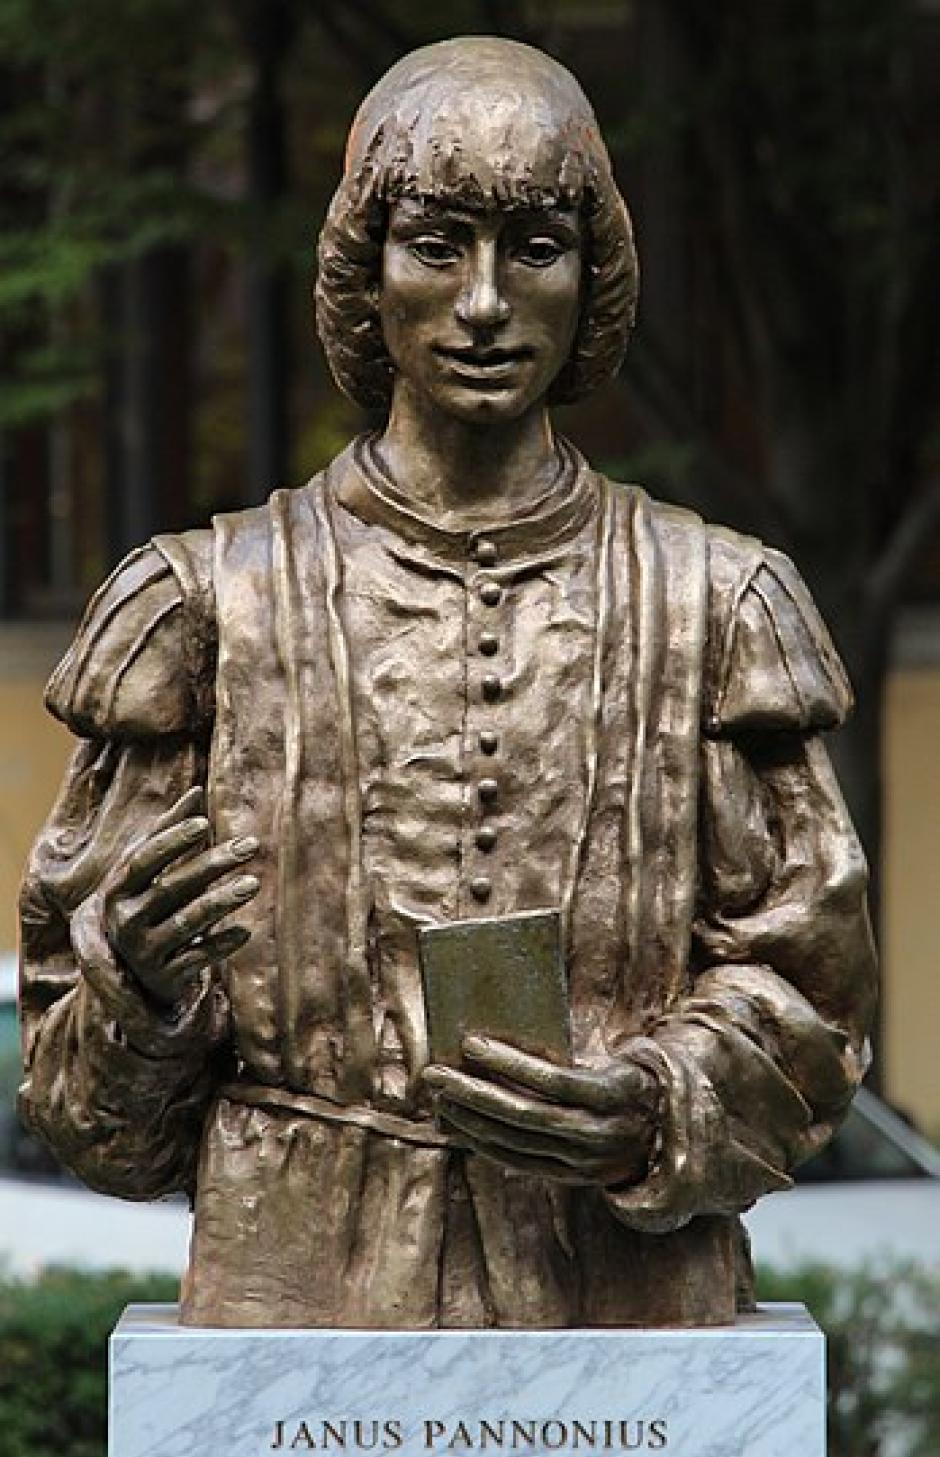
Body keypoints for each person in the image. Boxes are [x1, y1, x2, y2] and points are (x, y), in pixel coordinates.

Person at [18, 37, 876, 1329]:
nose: (482, 302)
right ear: (366, 275)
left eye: (534, 247)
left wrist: (657, 1101)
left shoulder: (719, 606)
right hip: (298, 1284)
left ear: (594, 278)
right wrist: (135, 995)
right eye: (436, 244)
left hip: (623, 1292)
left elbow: (812, 996)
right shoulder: (205, 610)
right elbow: (95, 1125)